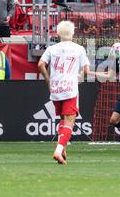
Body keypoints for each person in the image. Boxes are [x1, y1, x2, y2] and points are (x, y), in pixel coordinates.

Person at [38, 20, 90, 165]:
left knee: (62, 118)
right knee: (70, 121)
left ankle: (62, 147)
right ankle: (58, 150)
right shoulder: (79, 48)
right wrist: (80, 79)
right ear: (73, 33)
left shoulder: (52, 48)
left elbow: (41, 64)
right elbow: (86, 70)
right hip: (70, 88)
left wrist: (48, 80)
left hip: (55, 88)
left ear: (58, 33)